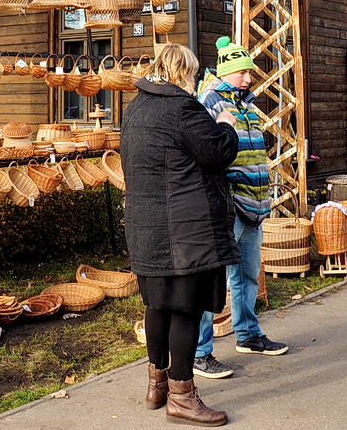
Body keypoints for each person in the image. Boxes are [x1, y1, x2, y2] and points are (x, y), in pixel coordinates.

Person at [121, 44, 239, 427]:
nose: (195, 79)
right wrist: (228, 126)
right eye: (193, 72)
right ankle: (182, 396)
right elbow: (218, 151)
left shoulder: (135, 107)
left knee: (157, 306)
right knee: (186, 308)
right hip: (185, 232)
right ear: (183, 72)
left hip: (146, 228)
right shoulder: (183, 109)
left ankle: (157, 386)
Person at [192, 38, 288, 382]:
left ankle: (247, 335)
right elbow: (207, 152)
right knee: (211, 281)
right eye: (243, 71)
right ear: (227, 70)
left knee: (247, 276)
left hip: (255, 206)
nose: (249, 78)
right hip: (228, 208)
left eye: (249, 71)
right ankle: (200, 353)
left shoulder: (246, 104)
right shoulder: (209, 102)